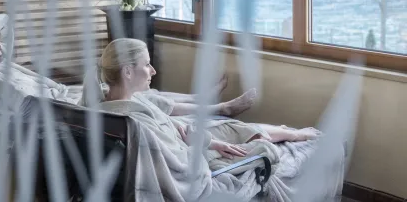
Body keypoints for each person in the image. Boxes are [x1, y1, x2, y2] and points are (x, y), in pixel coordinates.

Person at [96, 38, 320, 159]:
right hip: (189, 139)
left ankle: (216, 105)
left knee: (156, 97)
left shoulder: (102, 105)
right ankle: (293, 133)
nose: (153, 71)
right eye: (146, 64)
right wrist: (210, 143)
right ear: (126, 72)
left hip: (183, 131)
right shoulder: (135, 120)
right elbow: (174, 152)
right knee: (234, 128)